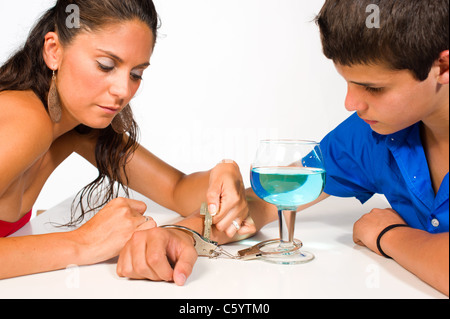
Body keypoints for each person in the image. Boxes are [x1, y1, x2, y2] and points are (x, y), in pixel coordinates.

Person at [128, 0, 449, 295]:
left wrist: (388, 234)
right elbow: (268, 201)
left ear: (443, 66)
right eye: (347, 82)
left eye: (373, 87)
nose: (350, 103)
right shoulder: (369, 134)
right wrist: (183, 233)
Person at [0, 0, 253, 285]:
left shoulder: (78, 127)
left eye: (136, 74)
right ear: (54, 51)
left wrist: (222, 175)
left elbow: (177, 190)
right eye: (106, 65)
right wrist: (83, 243)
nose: (123, 91)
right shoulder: (26, 120)